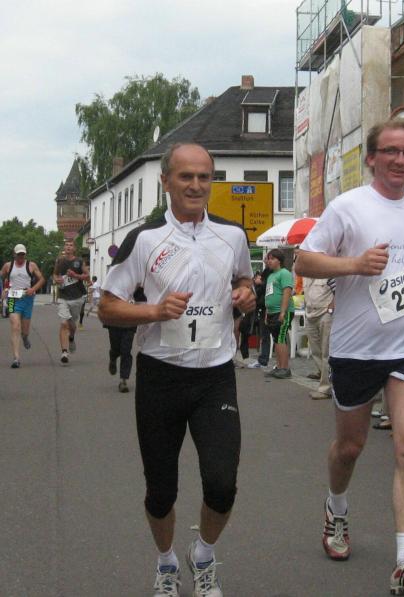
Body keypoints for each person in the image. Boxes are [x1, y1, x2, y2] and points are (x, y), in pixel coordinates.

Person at [295, 118, 404, 596]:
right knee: (350, 447)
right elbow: (305, 260)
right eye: (390, 151)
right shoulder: (348, 207)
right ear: (371, 158)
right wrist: (354, 264)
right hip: (357, 347)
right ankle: (336, 508)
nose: (400, 160)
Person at [98, 142, 255, 597]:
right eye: (186, 176)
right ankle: (167, 562)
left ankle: (203, 554)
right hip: (161, 375)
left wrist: (246, 293)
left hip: (214, 375)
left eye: (205, 176)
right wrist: (154, 311)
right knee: (161, 489)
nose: (196, 185)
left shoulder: (232, 235)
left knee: (222, 484)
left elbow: (244, 278)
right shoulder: (144, 239)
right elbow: (107, 306)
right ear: (166, 181)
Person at [0, 244, 44, 368]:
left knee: (24, 330)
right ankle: (16, 358)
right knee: (15, 326)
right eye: (19, 254)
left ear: (25, 254)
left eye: (23, 254)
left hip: (27, 299)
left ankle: (25, 338)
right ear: (14, 254)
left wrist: (33, 289)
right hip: (12, 298)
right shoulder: (8, 266)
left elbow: (42, 279)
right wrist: (4, 290)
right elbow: (1, 277)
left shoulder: (31, 265)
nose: (21, 256)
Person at [53, 239, 89, 365]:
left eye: (71, 245)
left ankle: (72, 337)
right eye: (66, 245)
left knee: (72, 326)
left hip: (77, 297)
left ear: (74, 249)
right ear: (64, 248)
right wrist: (57, 280)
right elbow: (55, 275)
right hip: (63, 297)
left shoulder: (79, 261)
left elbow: (87, 276)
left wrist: (75, 276)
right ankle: (64, 352)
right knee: (64, 323)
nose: (68, 247)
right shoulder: (60, 261)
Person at [104, 287, 144, 393]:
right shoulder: (115, 283)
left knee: (126, 351)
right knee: (115, 348)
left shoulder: (137, 285)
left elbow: (142, 301)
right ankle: (113, 357)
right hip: (114, 321)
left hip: (129, 323)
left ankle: (123, 380)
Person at [263, 248, 294, 379]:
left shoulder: (284, 273)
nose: (269, 261)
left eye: (272, 258)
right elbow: (268, 295)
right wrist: (267, 313)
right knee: (276, 339)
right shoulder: (271, 276)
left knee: (281, 338)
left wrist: (283, 311)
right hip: (271, 312)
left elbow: (287, 292)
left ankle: (284, 368)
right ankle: (278, 366)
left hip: (282, 311)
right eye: (268, 259)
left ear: (279, 261)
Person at [303, 276, 335, 399]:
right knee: (316, 351)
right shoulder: (306, 274)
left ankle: (325, 388)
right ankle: (325, 377)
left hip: (325, 312)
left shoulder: (328, 271)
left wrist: (332, 306)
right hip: (310, 314)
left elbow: (338, 290)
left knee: (326, 352)